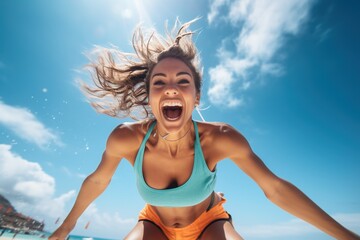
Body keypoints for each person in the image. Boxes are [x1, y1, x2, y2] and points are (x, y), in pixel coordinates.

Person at [49, 19, 360, 240]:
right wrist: (65, 227)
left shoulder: (219, 138)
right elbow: (98, 180)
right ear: (150, 96)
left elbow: (274, 188)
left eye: (183, 81)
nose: (171, 89)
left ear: (195, 96)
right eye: (160, 83)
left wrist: (347, 236)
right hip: (154, 223)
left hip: (209, 222)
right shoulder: (126, 138)